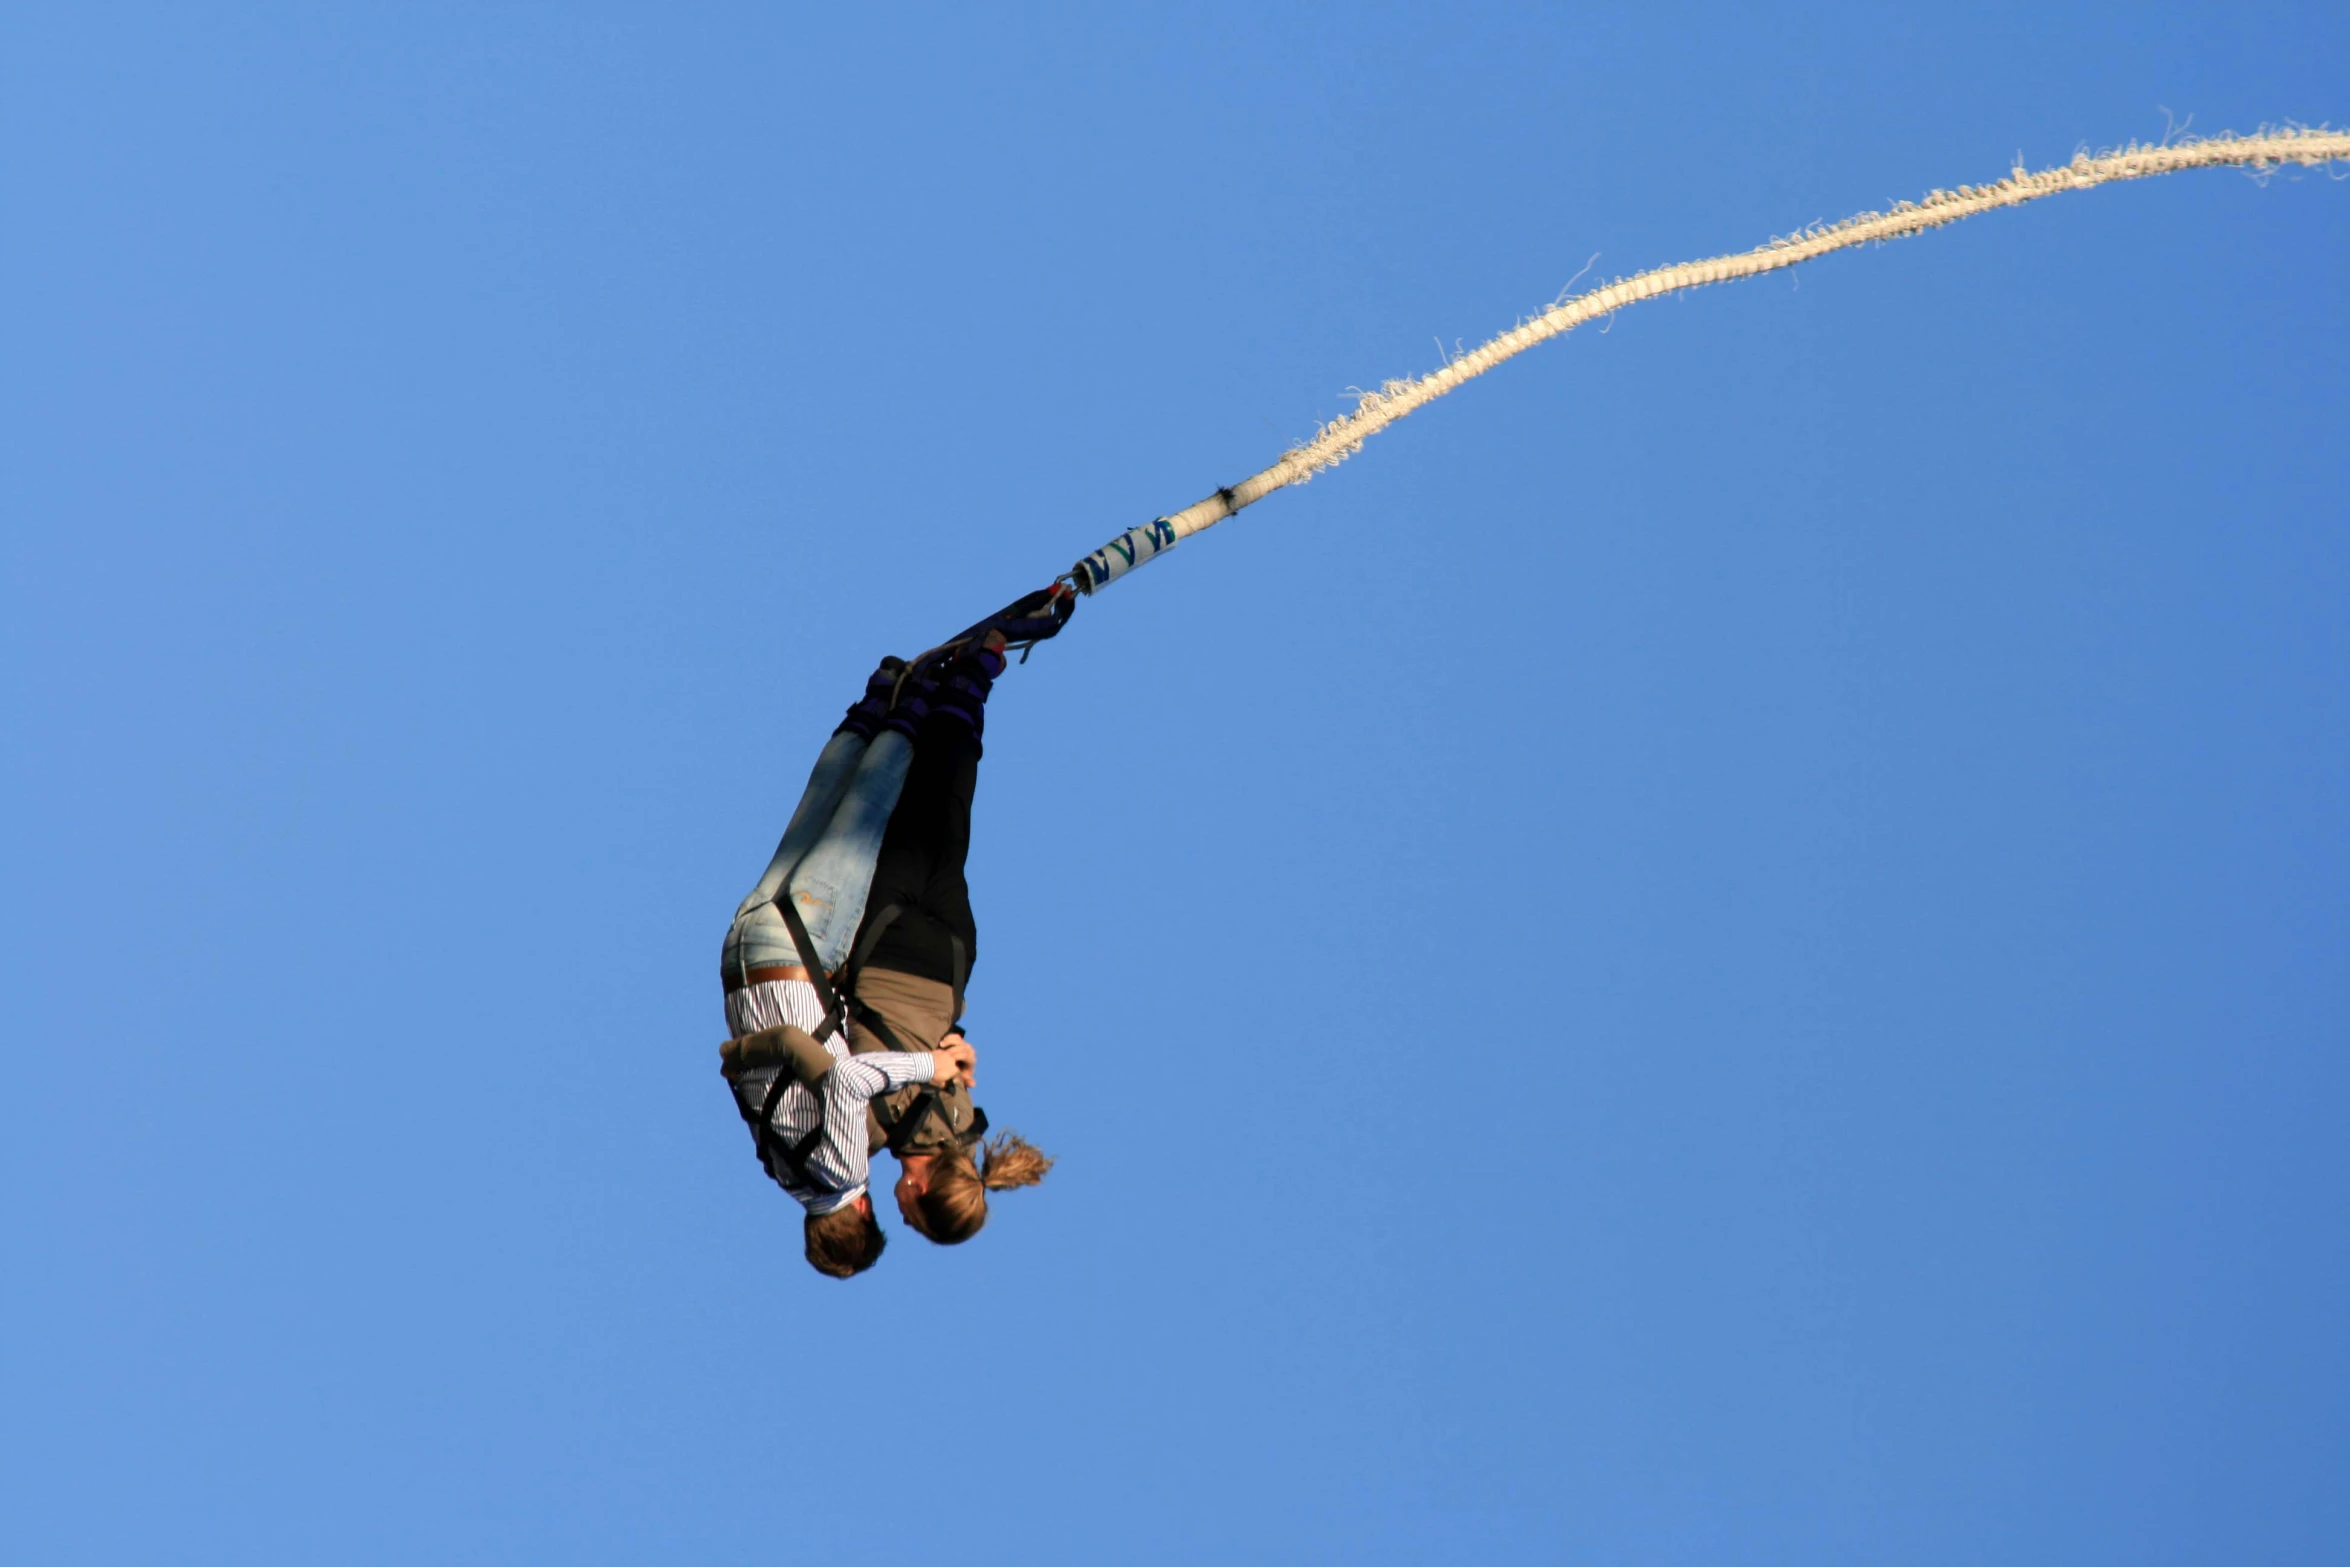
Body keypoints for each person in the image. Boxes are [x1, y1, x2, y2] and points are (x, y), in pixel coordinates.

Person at [719, 586, 1070, 1277]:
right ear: (911, 1193)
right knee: (882, 814)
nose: (895, 1209)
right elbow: (843, 1067)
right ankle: (909, 695)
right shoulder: (864, 1142)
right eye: (907, 1215)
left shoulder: (965, 1122)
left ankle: (967, 682)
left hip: (945, 959)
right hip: (870, 950)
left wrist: (952, 1052)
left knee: (943, 815)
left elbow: (936, 1053)